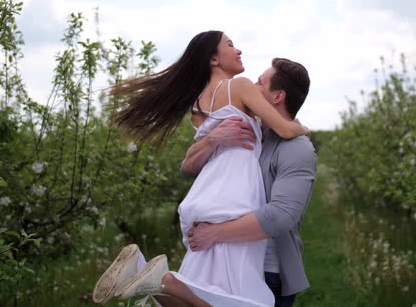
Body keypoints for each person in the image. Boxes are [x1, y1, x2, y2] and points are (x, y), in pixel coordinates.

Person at [92, 30, 309, 307]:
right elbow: (286, 128)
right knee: (242, 299)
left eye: (262, 83)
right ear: (214, 59)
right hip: (236, 195)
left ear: (278, 95)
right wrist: (304, 129)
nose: (239, 50)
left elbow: (189, 163)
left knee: (205, 291)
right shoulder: (240, 87)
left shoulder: (198, 105)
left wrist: (211, 139)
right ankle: (165, 281)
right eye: (231, 45)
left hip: (208, 192)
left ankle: (139, 271)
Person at [183, 57, 316, 307]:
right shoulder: (247, 134)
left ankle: (162, 283)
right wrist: (213, 140)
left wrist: (213, 234)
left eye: (260, 83)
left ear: (277, 97)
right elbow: (187, 167)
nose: (252, 88)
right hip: (227, 260)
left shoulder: (297, 149)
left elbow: (279, 216)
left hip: (267, 274)